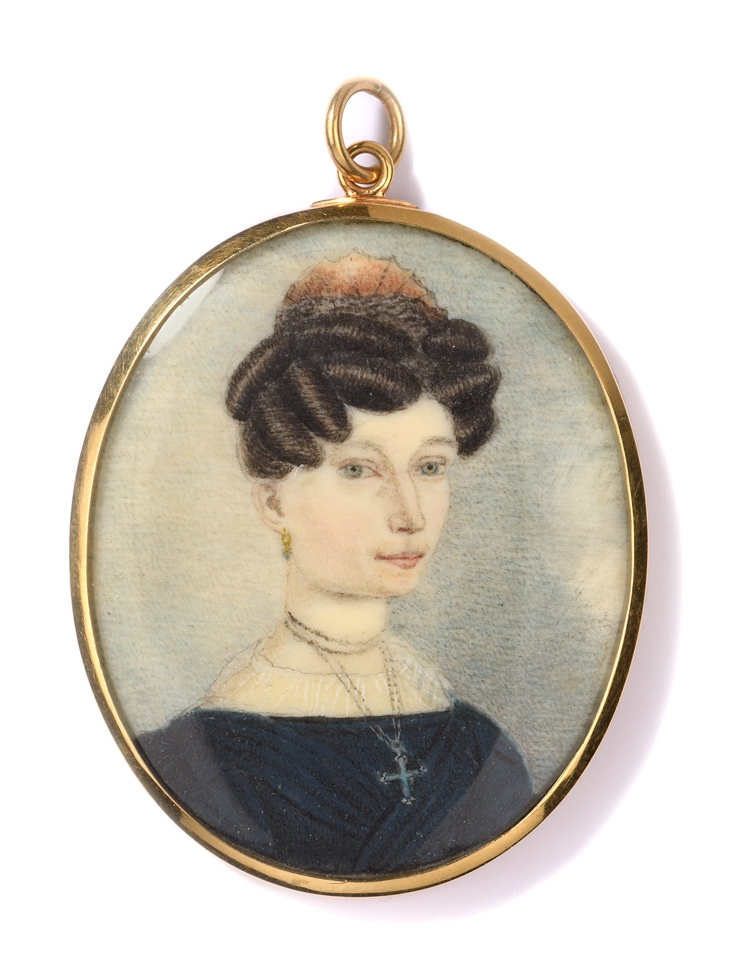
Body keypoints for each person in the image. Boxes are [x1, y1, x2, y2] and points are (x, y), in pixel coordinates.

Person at [137, 254, 534, 877]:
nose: (409, 514)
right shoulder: (196, 759)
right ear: (274, 502)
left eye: (430, 467)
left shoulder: (483, 749)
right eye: (357, 470)